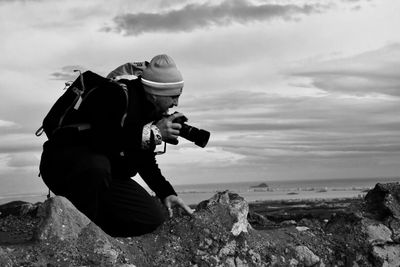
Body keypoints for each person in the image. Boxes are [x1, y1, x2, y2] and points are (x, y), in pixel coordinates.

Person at [39, 54, 194, 237]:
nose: (176, 103)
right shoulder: (113, 94)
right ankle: (82, 234)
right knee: (97, 166)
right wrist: (152, 133)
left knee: (152, 219)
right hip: (64, 165)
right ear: (155, 94)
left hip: (103, 174)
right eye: (173, 96)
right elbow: (102, 139)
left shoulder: (148, 110)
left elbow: (142, 157)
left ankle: (103, 232)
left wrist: (166, 192)